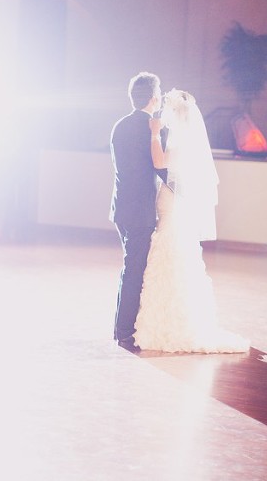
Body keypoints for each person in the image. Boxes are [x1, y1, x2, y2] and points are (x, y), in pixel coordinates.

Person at [133, 88, 250, 353]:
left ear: (175, 114)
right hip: (173, 205)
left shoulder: (178, 141)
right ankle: (165, 319)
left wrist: (153, 133)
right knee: (173, 254)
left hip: (172, 207)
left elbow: (159, 162)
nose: (163, 116)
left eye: (167, 111)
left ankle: (168, 323)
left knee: (170, 254)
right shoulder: (183, 139)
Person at [109, 71, 164, 353]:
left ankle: (119, 327)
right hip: (141, 212)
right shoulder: (154, 129)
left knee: (128, 268)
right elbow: (163, 169)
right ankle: (124, 331)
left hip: (121, 209)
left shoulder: (119, 125)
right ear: (154, 98)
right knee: (134, 271)